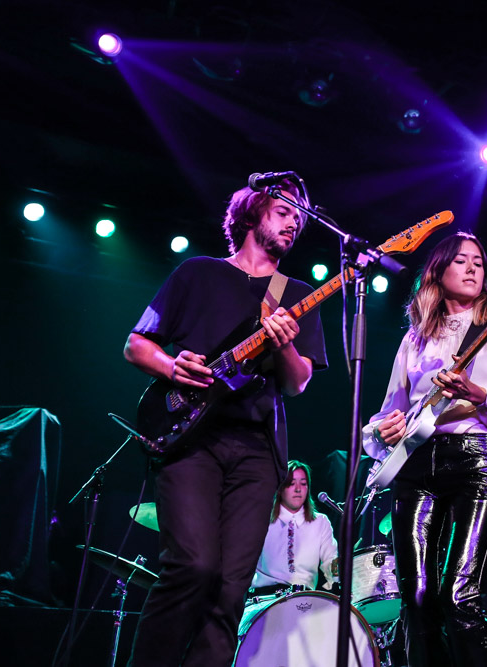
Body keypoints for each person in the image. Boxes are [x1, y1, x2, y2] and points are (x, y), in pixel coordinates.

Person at [124, 176, 327, 666]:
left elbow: (298, 383)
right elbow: (135, 344)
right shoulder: (197, 273)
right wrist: (172, 366)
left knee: (231, 589)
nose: (294, 220)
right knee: (192, 565)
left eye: (299, 216)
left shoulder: (296, 293)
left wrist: (283, 344)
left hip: (257, 451)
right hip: (190, 441)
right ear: (252, 212)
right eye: (283, 210)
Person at [362, 232, 487, 666]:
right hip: (416, 468)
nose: (474, 267)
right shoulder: (415, 338)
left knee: (459, 595)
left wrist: (478, 394)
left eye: (479, 260)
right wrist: (384, 430)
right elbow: (388, 414)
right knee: (417, 601)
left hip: (477, 462)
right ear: (438, 270)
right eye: (461, 260)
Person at [250, 460, 338, 595]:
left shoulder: (320, 521)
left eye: (303, 484)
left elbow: (331, 560)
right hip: (264, 598)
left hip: (302, 599)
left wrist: (337, 578)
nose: (298, 489)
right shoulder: (261, 518)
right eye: (291, 483)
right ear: (280, 489)